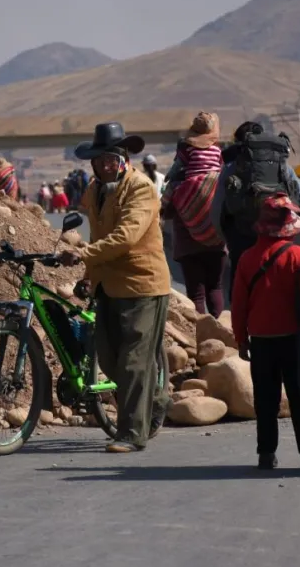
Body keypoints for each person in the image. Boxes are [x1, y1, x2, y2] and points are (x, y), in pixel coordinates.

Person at [58, 121, 172, 453]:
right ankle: (159, 399)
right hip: (108, 285)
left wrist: (83, 254)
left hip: (143, 284)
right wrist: (88, 275)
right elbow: (96, 237)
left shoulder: (141, 188)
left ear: (123, 158)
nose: (106, 164)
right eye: (100, 159)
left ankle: (131, 433)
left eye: (112, 158)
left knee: (134, 361)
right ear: (93, 162)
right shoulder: (93, 191)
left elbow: (127, 236)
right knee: (108, 358)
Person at [231, 194, 300, 471]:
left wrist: (241, 339)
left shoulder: (247, 258)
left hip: (261, 340)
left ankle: (266, 455)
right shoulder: (298, 255)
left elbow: (238, 304)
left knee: (266, 401)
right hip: (294, 337)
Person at [211, 121, 300, 298]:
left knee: (242, 293)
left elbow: (217, 212)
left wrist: (229, 240)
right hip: (277, 239)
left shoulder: (230, 169)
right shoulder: (280, 165)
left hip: (241, 240)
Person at [160, 112, 227, 317]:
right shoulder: (219, 156)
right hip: (215, 236)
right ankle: (219, 332)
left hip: (189, 241)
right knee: (215, 287)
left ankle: (199, 337)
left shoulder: (183, 160)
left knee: (195, 294)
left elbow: (167, 209)